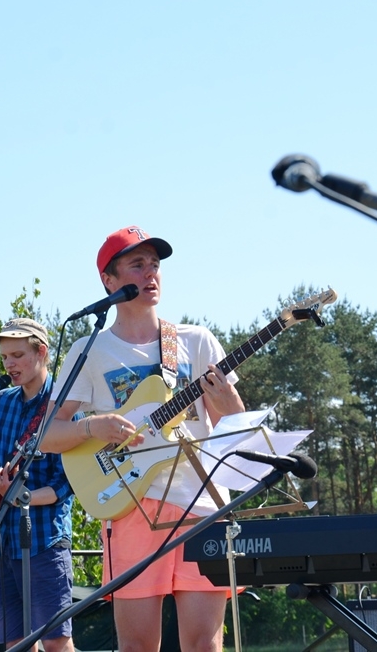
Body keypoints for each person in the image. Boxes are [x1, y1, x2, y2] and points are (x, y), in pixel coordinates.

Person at [41, 226, 245, 652]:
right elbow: (47, 436)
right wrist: (92, 427)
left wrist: (229, 402)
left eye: (155, 265)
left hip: (201, 503)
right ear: (109, 281)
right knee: (136, 646)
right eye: (137, 265)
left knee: (204, 645)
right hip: (128, 503)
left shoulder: (196, 341)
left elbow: (236, 431)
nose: (151, 273)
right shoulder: (88, 350)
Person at [0, 318, 75, 652]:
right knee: (15, 644)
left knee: (56, 642)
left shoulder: (65, 406)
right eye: (4, 357)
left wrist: (19, 496)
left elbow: (65, 485)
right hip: (0, 541)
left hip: (44, 540)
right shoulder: (1, 403)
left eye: (17, 355)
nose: (9, 364)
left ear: (41, 352)